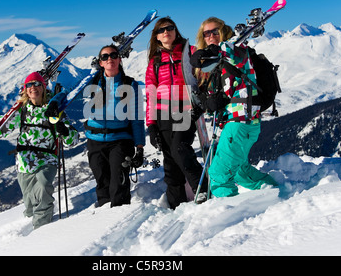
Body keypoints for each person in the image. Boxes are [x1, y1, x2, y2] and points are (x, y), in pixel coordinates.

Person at [0, 71, 79, 229]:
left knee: (43, 188)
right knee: (29, 204)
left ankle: (42, 229)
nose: (33, 87)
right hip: (24, 162)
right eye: (29, 85)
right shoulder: (21, 111)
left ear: (43, 87)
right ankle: (30, 222)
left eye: (36, 84)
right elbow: (0, 125)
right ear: (25, 90)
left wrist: (65, 131)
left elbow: (73, 139)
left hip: (47, 159)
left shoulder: (53, 111)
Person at [190, 17, 278, 198]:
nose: (211, 36)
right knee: (240, 172)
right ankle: (276, 192)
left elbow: (233, 54)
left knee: (218, 174)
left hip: (240, 121)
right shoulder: (217, 63)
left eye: (215, 31)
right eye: (206, 33)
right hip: (240, 124)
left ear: (224, 31)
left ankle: (228, 216)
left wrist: (213, 51)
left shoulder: (237, 50)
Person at [145, 17, 208, 209]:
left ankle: (202, 187)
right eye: (161, 30)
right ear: (156, 36)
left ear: (175, 30)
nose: (166, 32)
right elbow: (151, 94)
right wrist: (152, 125)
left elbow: (204, 78)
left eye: (170, 28)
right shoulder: (154, 62)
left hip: (185, 108)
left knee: (180, 147)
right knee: (170, 160)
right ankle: (176, 203)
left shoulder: (190, 52)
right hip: (163, 114)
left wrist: (201, 103)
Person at [84, 45, 145, 208]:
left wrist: (139, 147)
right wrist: (55, 103)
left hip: (120, 140)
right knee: (102, 183)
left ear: (119, 59)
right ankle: (105, 219)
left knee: (118, 184)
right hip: (95, 140)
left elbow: (137, 118)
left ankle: (119, 217)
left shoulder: (130, 85)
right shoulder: (91, 83)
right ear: (100, 63)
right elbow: (70, 93)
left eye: (113, 55)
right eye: (105, 57)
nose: (109, 58)